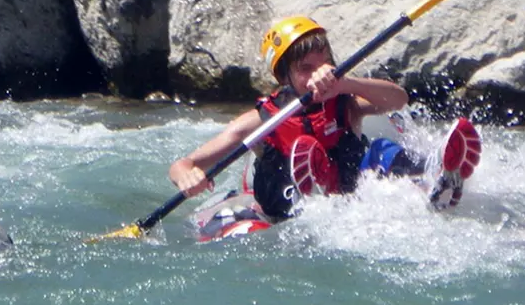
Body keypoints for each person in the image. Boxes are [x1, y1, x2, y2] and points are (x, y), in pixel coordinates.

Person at [169, 15, 481, 221]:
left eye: (325, 64)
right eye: (305, 68)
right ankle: (314, 185)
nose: (318, 74)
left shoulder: (345, 101)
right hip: (287, 199)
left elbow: (399, 99)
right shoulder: (260, 120)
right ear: (284, 77)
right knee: (293, 158)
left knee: (380, 150)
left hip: (346, 187)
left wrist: (346, 83)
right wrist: (187, 175)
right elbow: (184, 164)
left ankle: (438, 179)